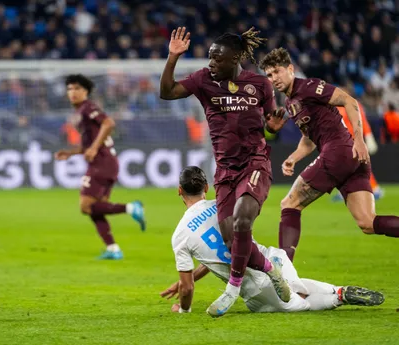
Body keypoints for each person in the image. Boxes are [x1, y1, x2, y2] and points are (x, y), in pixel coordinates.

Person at [160, 27, 291, 317]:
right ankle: (271, 268)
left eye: (217, 59)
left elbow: (269, 126)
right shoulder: (204, 80)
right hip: (225, 171)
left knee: (243, 219)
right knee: (232, 240)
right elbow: (167, 92)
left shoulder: (259, 84)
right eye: (210, 58)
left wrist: (272, 130)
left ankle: (231, 290)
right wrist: (172, 57)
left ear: (235, 58)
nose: (211, 64)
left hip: (255, 163)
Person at [160, 166, 384, 314]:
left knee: (303, 304)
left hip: (255, 287)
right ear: (206, 188)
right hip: (271, 257)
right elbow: (228, 249)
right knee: (297, 285)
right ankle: (338, 290)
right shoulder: (222, 206)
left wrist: (183, 309)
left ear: (179, 191)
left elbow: (187, 289)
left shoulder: (180, 235)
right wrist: (188, 280)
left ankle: (338, 298)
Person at [259, 48, 399, 262]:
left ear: (290, 69)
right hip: (349, 157)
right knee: (368, 223)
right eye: (269, 75)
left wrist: (359, 139)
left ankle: (283, 271)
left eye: (277, 72)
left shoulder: (308, 87)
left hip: (339, 151)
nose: (274, 78)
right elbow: (309, 139)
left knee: (289, 204)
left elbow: (349, 101)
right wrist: (294, 158)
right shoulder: (290, 102)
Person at [54, 74, 146, 260]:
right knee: (96, 207)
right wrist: (70, 153)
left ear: (86, 91)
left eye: (77, 89)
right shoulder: (81, 112)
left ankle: (131, 208)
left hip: (102, 163)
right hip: (107, 162)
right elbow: (89, 145)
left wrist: (95, 148)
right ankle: (113, 249)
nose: (73, 92)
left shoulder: (88, 107)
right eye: (70, 89)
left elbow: (109, 123)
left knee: (85, 206)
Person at [333, 100, 384, 201]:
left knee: (357, 165)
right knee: (345, 167)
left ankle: (375, 189)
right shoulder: (334, 105)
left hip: (353, 141)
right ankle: (345, 191)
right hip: (341, 141)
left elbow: (362, 120)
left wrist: (369, 136)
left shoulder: (352, 103)